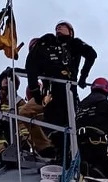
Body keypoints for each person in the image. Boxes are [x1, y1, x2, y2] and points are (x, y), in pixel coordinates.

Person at [25, 20, 97, 161]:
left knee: (66, 124)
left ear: (70, 32)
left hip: (68, 93)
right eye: (57, 26)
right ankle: (47, 149)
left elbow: (91, 54)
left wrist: (83, 76)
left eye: (63, 26)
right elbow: (31, 64)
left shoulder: (74, 44)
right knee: (31, 116)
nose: (59, 27)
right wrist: (34, 88)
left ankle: (65, 156)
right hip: (49, 93)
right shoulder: (48, 44)